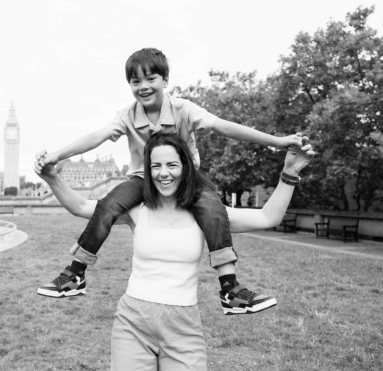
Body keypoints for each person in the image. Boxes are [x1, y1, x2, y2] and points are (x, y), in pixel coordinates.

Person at [36, 47, 301, 315]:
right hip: (143, 179)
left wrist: (277, 142)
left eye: (151, 78)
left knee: (213, 209)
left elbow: (225, 126)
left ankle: (230, 288)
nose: (144, 86)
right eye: (135, 81)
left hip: (187, 180)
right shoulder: (126, 115)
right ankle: (76, 273)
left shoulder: (183, 109)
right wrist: (57, 155)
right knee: (109, 203)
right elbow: (97, 137)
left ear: (165, 80)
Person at [35, 133, 315, 370]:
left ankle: (230, 291)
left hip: (183, 325)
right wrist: (52, 179)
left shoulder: (209, 213)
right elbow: (82, 208)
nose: (163, 173)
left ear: (185, 166)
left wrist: (290, 173)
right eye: (155, 166)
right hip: (133, 320)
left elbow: (268, 217)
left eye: (171, 164)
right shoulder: (136, 209)